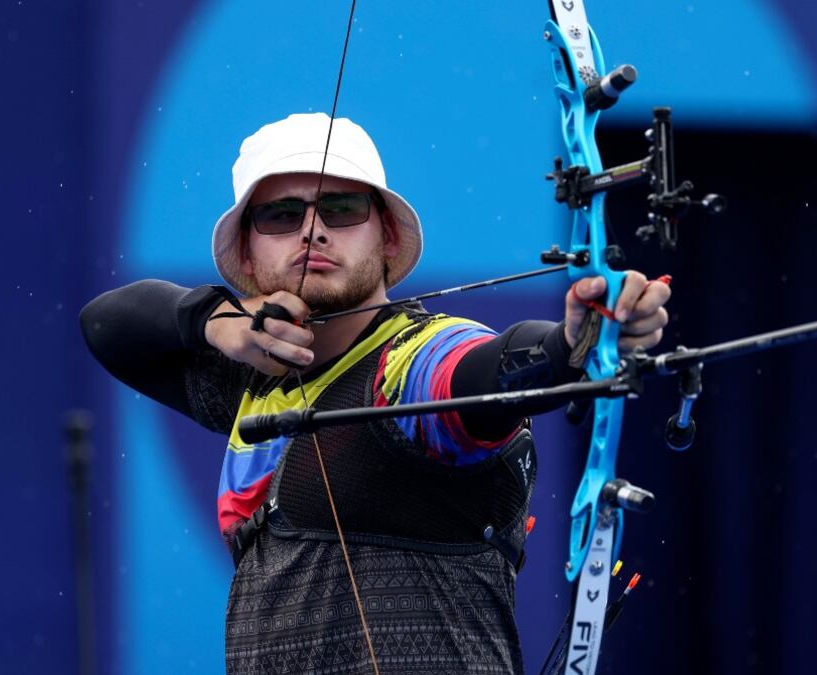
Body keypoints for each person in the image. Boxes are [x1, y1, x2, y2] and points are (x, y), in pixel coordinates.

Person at [80, 112, 670, 674]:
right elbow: (107, 324)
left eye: (340, 208)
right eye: (281, 215)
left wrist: (573, 346)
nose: (312, 229)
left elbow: (484, 371)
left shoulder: (410, 362)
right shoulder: (253, 383)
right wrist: (214, 320)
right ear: (248, 258)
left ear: (387, 236)